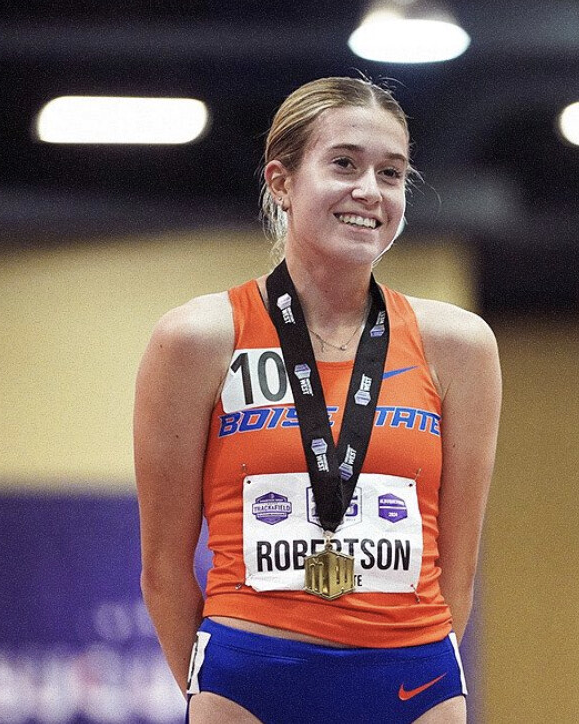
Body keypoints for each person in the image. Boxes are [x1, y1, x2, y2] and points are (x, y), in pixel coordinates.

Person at [134, 76, 501, 724]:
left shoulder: (459, 346)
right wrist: (216, 681)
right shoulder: (197, 338)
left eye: (391, 173)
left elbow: (459, 572)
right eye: (345, 164)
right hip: (250, 679)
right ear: (281, 182)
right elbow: (164, 571)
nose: (370, 190)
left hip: (412, 680)